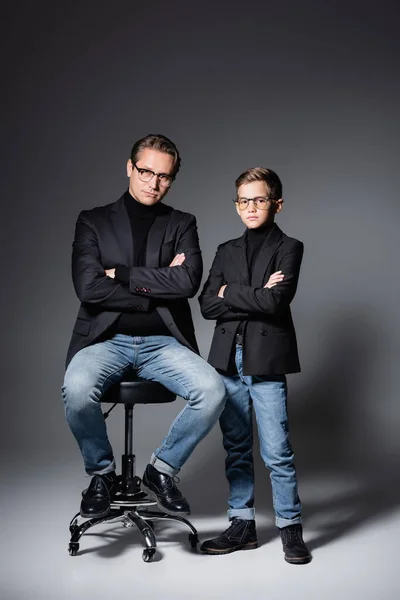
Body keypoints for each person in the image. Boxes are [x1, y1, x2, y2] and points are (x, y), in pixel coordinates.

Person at [62, 133, 226, 520]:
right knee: (77, 387)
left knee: (213, 389)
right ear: (129, 168)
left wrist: (120, 274)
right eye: (146, 172)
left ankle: (161, 469)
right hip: (106, 339)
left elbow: (186, 283)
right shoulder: (93, 221)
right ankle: (102, 474)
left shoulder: (182, 223)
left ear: (172, 179)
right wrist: (154, 287)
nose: (154, 183)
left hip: (163, 343)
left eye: (164, 177)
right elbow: (87, 286)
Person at [198, 167, 311, 564]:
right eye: (242, 200)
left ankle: (290, 530)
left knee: (277, 451)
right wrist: (250, 293)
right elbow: (206, 303)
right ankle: (242, 525)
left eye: (258, 199)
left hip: (265, 359)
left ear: (276, 203)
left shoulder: (289, 247)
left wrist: (231, 291)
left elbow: (274, 303)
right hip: (228, 358)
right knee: (237, 446)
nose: (250, 207)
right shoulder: (226, 250)